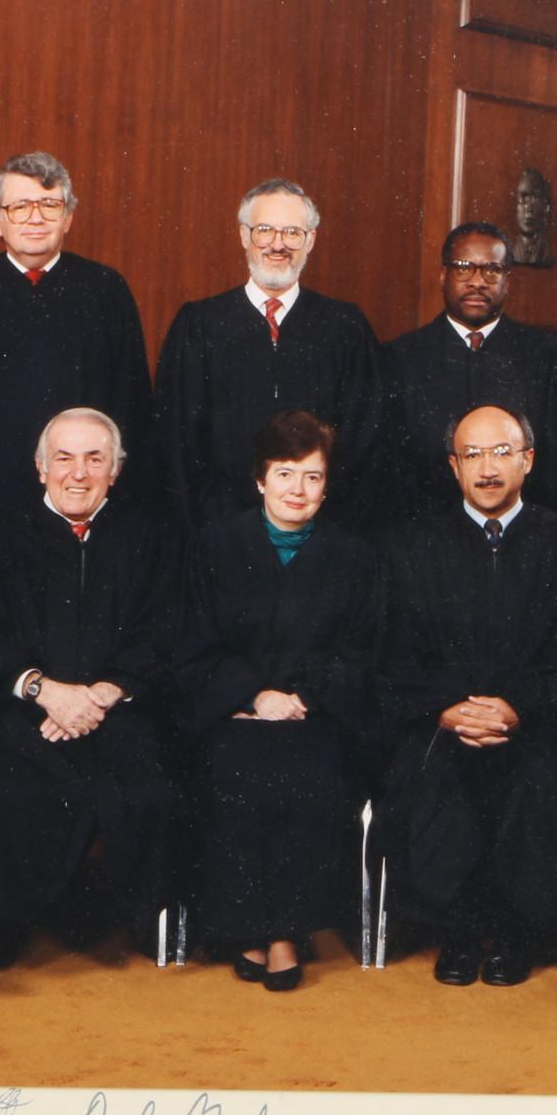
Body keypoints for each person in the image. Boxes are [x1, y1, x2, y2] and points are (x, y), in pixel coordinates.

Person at [0, 408, 184, 964]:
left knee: (149, 792)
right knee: (11, 790)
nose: (78, 473)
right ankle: (3, 929)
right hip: (19, 711)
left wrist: (106, 691)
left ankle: (126, 922)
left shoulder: (151, 539)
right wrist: (42, 689)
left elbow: (165, 629)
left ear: (115, 471)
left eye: (95, 459)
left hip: (116, 710)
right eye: (64, 458)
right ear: (40, 468)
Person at [375, 404, 557, 988]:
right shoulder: (413, 545)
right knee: (437, 779)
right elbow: (394, 653)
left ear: (528, 459)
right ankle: (459, 930)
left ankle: (515, 933)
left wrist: (518, 706)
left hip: (533, 721)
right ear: (454, 466)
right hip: (440, 721)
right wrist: (448, 708)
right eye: (472, 455)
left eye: (501, 452)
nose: (487, 468)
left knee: (535, 781)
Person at [178, 411, 383, 993]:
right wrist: (253, 693)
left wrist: (303, 697)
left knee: (310, 775)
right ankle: (254, 928)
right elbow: (194, 643)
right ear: (260, 478)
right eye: (285, 474)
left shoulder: (355, 558)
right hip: (234, 712)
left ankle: (282, 934)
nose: (298, 489)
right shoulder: (215, 546)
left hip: (318, 715)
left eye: (312, 477)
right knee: (235, 771)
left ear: (327, 485)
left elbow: (363, 653)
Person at [0, 152, 152, 556]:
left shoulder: (106, 292)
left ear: (68, 217)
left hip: (82, 511)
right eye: (19, 207)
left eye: (49, 205)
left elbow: (132, 407)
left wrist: (125, 511)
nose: (35, 218)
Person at [153, 179, 384, 531]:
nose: (278, 245)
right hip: (220, 532)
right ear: (244, 236)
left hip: (320, 532)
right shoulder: (199, 325)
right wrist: (211, 531)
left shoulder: (345, 327)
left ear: (311, 240)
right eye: (264, 230)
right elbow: (176, 445)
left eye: (292, 232)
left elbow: (364, 443)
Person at [379, 222, 557, 518]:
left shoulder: (553, 359)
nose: (477, 281)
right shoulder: (399, 359)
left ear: (508, 280)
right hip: (424, 530)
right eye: (464, 268)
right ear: (443, 275)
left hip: (526, 531)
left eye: (492, 270)